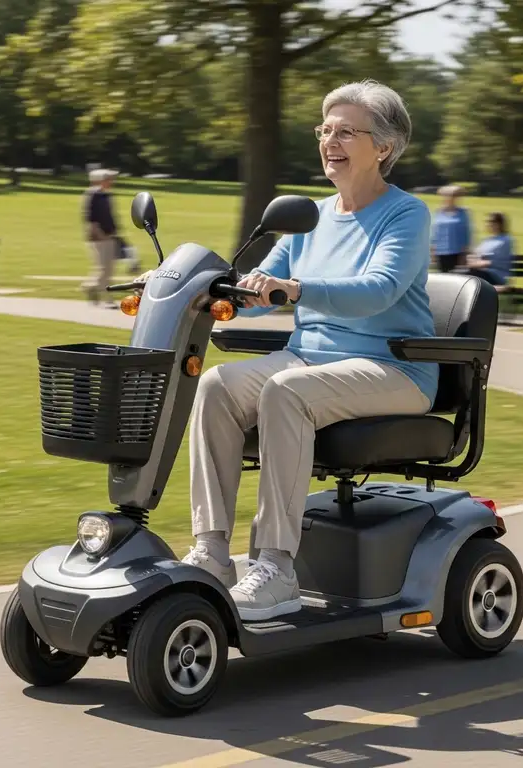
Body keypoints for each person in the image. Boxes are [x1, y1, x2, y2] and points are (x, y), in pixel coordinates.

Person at [134, 80, 439, 621]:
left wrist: (297, 290)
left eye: (346, 131)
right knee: (215, 385)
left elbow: (380, 289)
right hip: (313, 362)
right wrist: (194, 287)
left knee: (285, 391)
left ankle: (276, 567)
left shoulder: (406, 215)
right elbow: (257, 287)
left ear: (384, 148)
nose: (330, 140)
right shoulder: (311, 216)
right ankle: (211, 551)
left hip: (391, 365)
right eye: (324, 130)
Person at [81, 168, 126, 304]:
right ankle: (107, 298)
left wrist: (115, 233)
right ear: (99, 180)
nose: (111, 182)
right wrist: (99, 234)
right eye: (108, 179)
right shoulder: (92, 195)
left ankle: (91, 287)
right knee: (104, 268)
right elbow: (90, 218)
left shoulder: (106, 195)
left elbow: (110, 216)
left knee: (108, 268)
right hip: (99, 237)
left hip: (110, 235)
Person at [464, 212, 514, 287]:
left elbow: (498, 262)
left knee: (467, 276)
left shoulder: (505, 240)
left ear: (499, 224)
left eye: (490, 222)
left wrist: (477, 263)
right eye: (487, 222)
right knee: (458, 274)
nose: (488, 224)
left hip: (496, 276)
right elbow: (475, 254)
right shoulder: (488, 240)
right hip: (482, 273)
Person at [430, 185, 471, 273]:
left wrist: (464, 254)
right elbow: (435, 234)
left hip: (457, 252)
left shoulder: (463, 213)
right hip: (440, 252)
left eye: (453, 196)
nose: (450, 199)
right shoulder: (438, 212)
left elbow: (466, 234)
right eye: (447, 196)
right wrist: (432, 251)